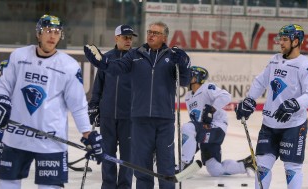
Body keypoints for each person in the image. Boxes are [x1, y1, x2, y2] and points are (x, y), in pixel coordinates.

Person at [0, 14, 103, 189]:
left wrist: (87, 134)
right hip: (16, 136)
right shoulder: (19, 56)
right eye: (48, 31)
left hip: (51, 141)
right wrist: (1, 99)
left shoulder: (69, 66)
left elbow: (78, 105)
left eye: (57, 32)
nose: (52, 36)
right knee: (7, 184)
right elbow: (4, 86)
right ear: (38, 33)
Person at [84, 21, 191, 189]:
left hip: (164, 120)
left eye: (155, 33)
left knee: (166, 164)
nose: (150, 35)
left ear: (164, 37)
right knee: (141, 167)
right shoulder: (135, 55)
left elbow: (185, 81)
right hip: (140, 120)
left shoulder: (172, 57)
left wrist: (184, 64)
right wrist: (102, 63)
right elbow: (116, 67)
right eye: (149, 31)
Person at [235, 24, 308, 189]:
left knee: (292, 168)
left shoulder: (306, 65)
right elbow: (261, 81)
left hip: (293, 126)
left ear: (296, 41)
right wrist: (249, 99)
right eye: (281, 39)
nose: (281, 43)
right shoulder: (274, 60)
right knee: (262, 167)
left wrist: (295, 103)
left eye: (285, 39)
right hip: (269, 124)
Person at [177, 66, 254, 176]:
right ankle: (246, 164)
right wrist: (193, 145)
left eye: (190, 75)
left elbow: (226, 96)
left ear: (197, 78)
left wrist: (211, 110)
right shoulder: (188, 96)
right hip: (205, 130)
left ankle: (184, 164)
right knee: (215, 170)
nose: (186, 77)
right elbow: (196, 123)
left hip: (216, 127)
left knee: (187, 127)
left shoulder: (207, 88)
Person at [88, 24, 137, 189]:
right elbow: (98, 87)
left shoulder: (137, 60)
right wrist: (94, 106)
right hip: (107, 116)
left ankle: (124, 186)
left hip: (129, 117)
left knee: (127, 157)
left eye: (130, 38)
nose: (128, 41)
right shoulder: (106, 59)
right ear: (116, 38)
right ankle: (108, 185)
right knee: (107, 154)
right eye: (125, 37)